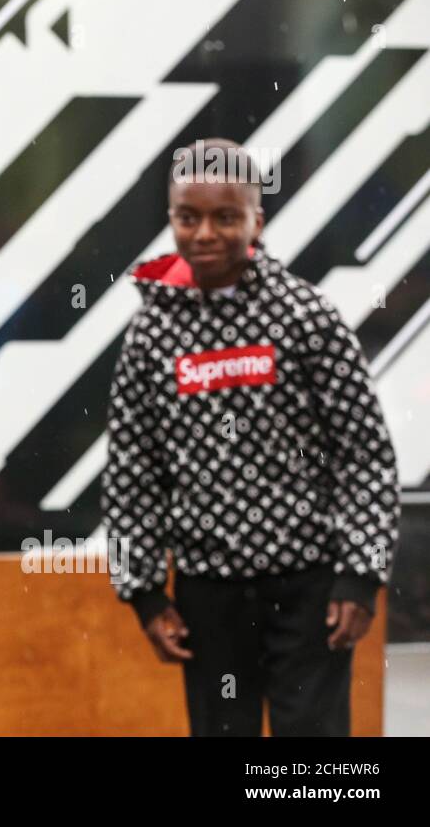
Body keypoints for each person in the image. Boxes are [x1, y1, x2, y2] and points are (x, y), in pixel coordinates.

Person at [102, 138, 400, 736]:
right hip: (208, 598)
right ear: (171, 220)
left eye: (226, 217)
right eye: (189, 217)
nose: (205, 233)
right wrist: (144, 594)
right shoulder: (151, 334)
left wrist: (361, 575)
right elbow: (132, 469)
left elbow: (363, 451)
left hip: (310, 589)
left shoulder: (305, 316)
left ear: (256, 221)